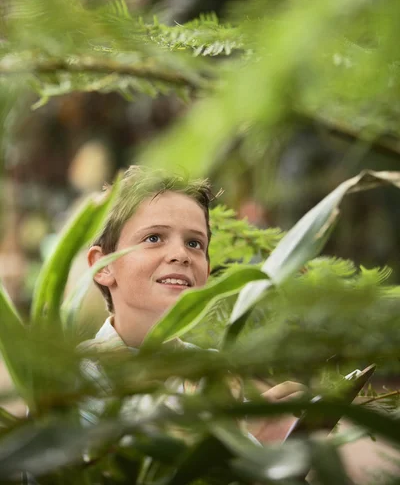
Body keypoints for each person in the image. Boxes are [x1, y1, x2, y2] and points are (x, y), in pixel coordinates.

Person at [86, 165, 302, 442]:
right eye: (153, 238)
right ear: (103, 266)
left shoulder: (215, 374)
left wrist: (268, 442)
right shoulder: (72, 382)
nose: (181, 254)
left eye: (194, 243)